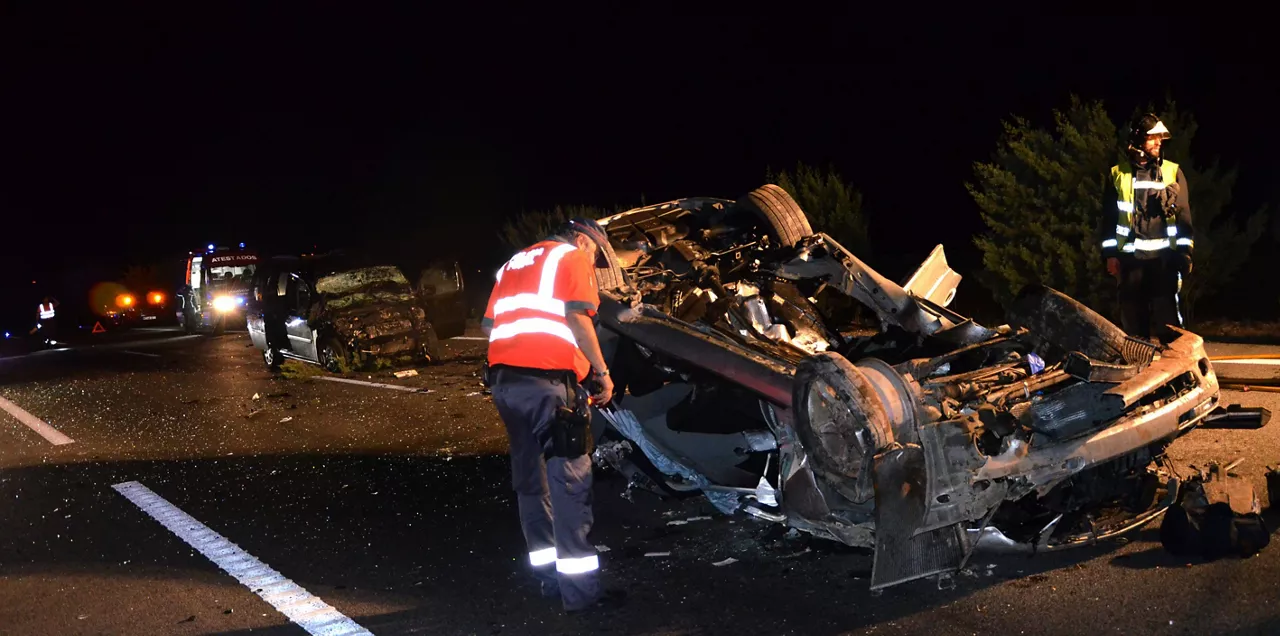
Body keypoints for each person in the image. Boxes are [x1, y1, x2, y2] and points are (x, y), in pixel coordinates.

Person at [481, 217, 623, 614]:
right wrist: (601, 372)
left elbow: (489, 325)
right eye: (595, 251)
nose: (592, 260)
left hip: (505, 386)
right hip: (548, 386)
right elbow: (578, 318)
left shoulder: (514, 262)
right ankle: (580, 595)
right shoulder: (571, 256)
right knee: (569, 483)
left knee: (531, 481)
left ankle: (547, 579)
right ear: (582, 238)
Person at [1098, 113, 1195, 341]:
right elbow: (1109, 219)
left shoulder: (1172, 172)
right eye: (1153, 137)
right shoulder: (1117, 174)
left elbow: (1184, 219)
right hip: (1130, 261)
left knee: (1170, 329)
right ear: (1139, 138)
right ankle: (1140, 372)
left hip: (1164, 261)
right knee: (1134, 330)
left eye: (1160, 138)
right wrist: (1110, 255)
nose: (1158, 142)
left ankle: (1179, 375)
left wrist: (1185, 254)